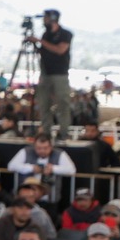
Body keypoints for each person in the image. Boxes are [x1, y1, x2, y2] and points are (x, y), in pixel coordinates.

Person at [33, 8, 74, 141]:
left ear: (52, 19)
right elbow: (45, 50)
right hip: (45, 74)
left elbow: (60, 50)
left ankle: (64, 132)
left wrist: (39, 42)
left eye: (45, 18)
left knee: (62, 103)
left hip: (60, 74)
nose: (44, 21)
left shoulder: (65, 34)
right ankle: (46, 132)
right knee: (44, 104)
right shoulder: (46, 35)